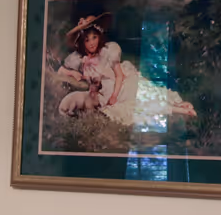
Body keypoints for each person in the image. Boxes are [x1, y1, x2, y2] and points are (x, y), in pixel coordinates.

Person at [55, 12, 196, 134]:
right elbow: (64, 62)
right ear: (82, 42)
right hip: (105, 90)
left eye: (94, 38)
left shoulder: (108, 50)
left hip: (119, 83)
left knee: (142, 94)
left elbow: (119, 75)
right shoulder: (80, 59)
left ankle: (178, 106)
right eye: (87, 40)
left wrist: (114, 96)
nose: (91, 43)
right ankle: (177, 109)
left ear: (99, 37)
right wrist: (73, 73)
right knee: (137, 104)